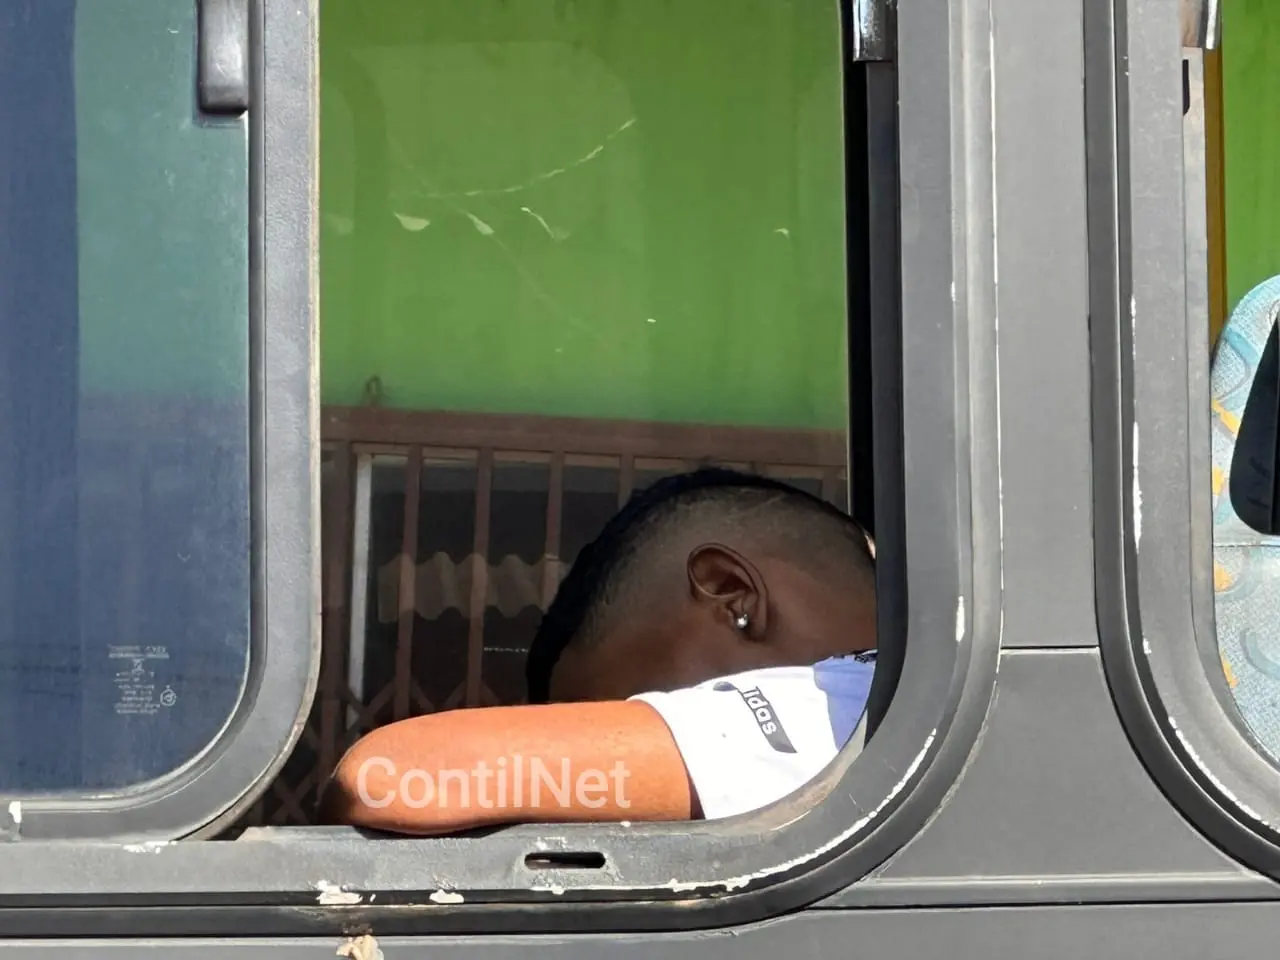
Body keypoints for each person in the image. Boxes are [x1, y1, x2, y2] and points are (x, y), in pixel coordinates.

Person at [318, 468, 877, 834]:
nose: (637, 800)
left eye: (641, 712)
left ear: (735, 597)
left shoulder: (845, 708)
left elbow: (387, 778)